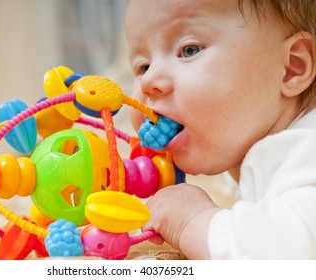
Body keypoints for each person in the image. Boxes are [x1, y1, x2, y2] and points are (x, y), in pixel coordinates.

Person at [125, 0, 316, 259]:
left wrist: (195, 221)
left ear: (292, 68)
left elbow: (286, 257)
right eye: (143, 66)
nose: (147, 81)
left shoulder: (307, 153)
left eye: (189, 49)